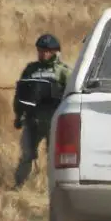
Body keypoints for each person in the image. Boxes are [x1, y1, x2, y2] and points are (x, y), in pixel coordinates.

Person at [12, 33, 71, 189]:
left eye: (47, 51)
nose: (43, 54)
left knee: (54, 158)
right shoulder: (30, 69)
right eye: (40, 50)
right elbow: (20, 94)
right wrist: (18, 115)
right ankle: (18, 186)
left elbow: (71, 97)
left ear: (55, 52)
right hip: (32, 120)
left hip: (54, 121)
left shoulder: (63, 72)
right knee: (27, 155)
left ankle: (55, 188)